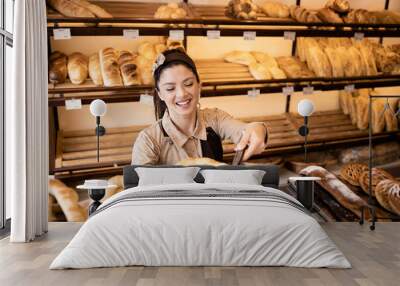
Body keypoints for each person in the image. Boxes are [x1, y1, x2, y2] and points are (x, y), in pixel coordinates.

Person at [131, 48, 268, 165]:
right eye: (170, 88)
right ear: (160, 94)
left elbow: (244, 130)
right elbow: (139, 191)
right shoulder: (149, 141)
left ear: (199, 85)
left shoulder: (215, 118)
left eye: (188, 84)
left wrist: (257, 128)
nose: (182, 94)